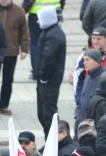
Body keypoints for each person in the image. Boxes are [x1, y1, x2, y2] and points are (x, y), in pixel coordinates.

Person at [31, 6, 64, 136]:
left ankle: (54, 141)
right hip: (45, 81)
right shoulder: (49, 32)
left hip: (49, 82)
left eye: (40, 19)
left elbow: (48, 58)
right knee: (44, 114)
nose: (38, 22)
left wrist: (43, 77)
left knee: (48, 115)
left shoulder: (53, 36)